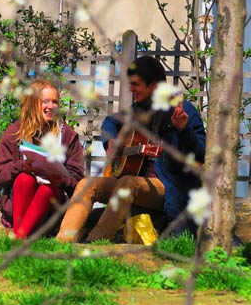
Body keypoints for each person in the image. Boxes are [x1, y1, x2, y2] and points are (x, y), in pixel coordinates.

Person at [56, 55, 206, 243]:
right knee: (87, 184)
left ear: (153, 86)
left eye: (135, 84)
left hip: (168, 188)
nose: (130, 89)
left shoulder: (184, 111)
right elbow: (110, 122)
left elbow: (201, 153)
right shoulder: (137, 111)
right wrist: (111, 141)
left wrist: (183, 130)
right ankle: (62, 241)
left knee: (127, 183)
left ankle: (94, 243)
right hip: (133, 183)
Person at [0, 79, 85, 239]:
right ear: (32, 103)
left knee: (46, 190)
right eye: (45, 102)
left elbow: (78, 181)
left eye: (55, 102)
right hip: (19, 203)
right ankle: (23, 236)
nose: (51, 106)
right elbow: (0, 176)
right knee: (24, 178)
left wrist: (62, 181)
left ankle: (19, 240)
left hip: (52, 203)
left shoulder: (67, 136)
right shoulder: (14, 133)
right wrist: (21, 166)